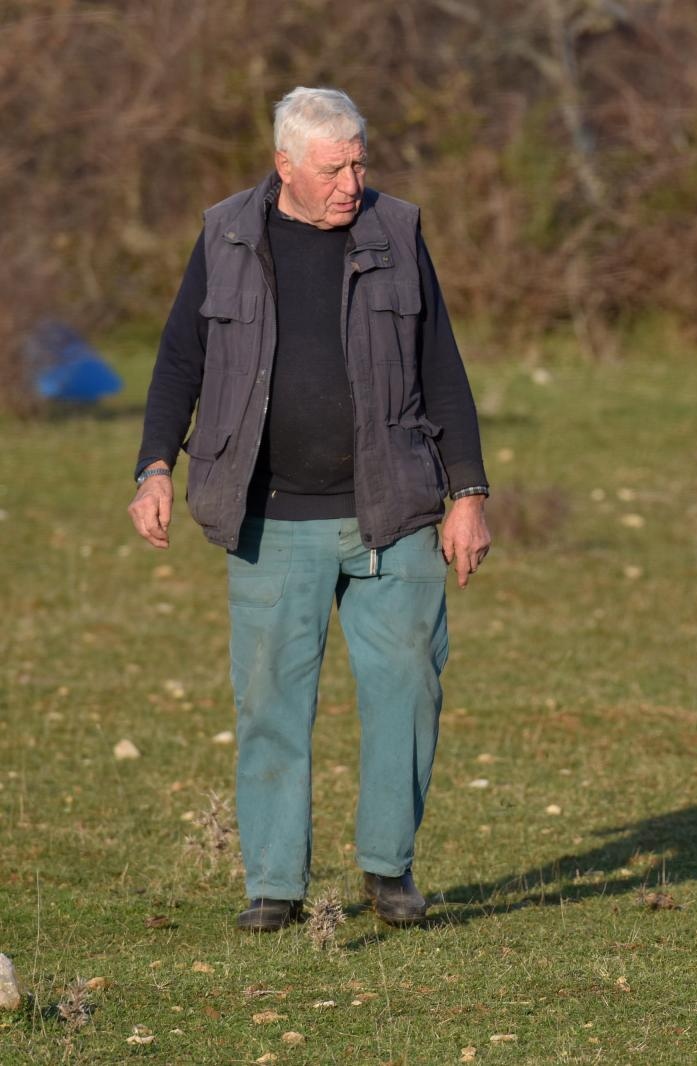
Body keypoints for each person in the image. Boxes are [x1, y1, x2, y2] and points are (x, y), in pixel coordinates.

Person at [128, 87, 491, 932]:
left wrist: (467, 494)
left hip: (393, 509)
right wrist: (153, 467)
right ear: (285, 165)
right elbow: (181, 357)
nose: (352, 182)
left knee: (407, 686)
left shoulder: (397, 231)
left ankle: (389, 869)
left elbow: (443, 365)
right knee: (270, 702)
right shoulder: (224, 233)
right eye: (334, 168)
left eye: (361, 161)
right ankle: (275, 885)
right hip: (269, 519)